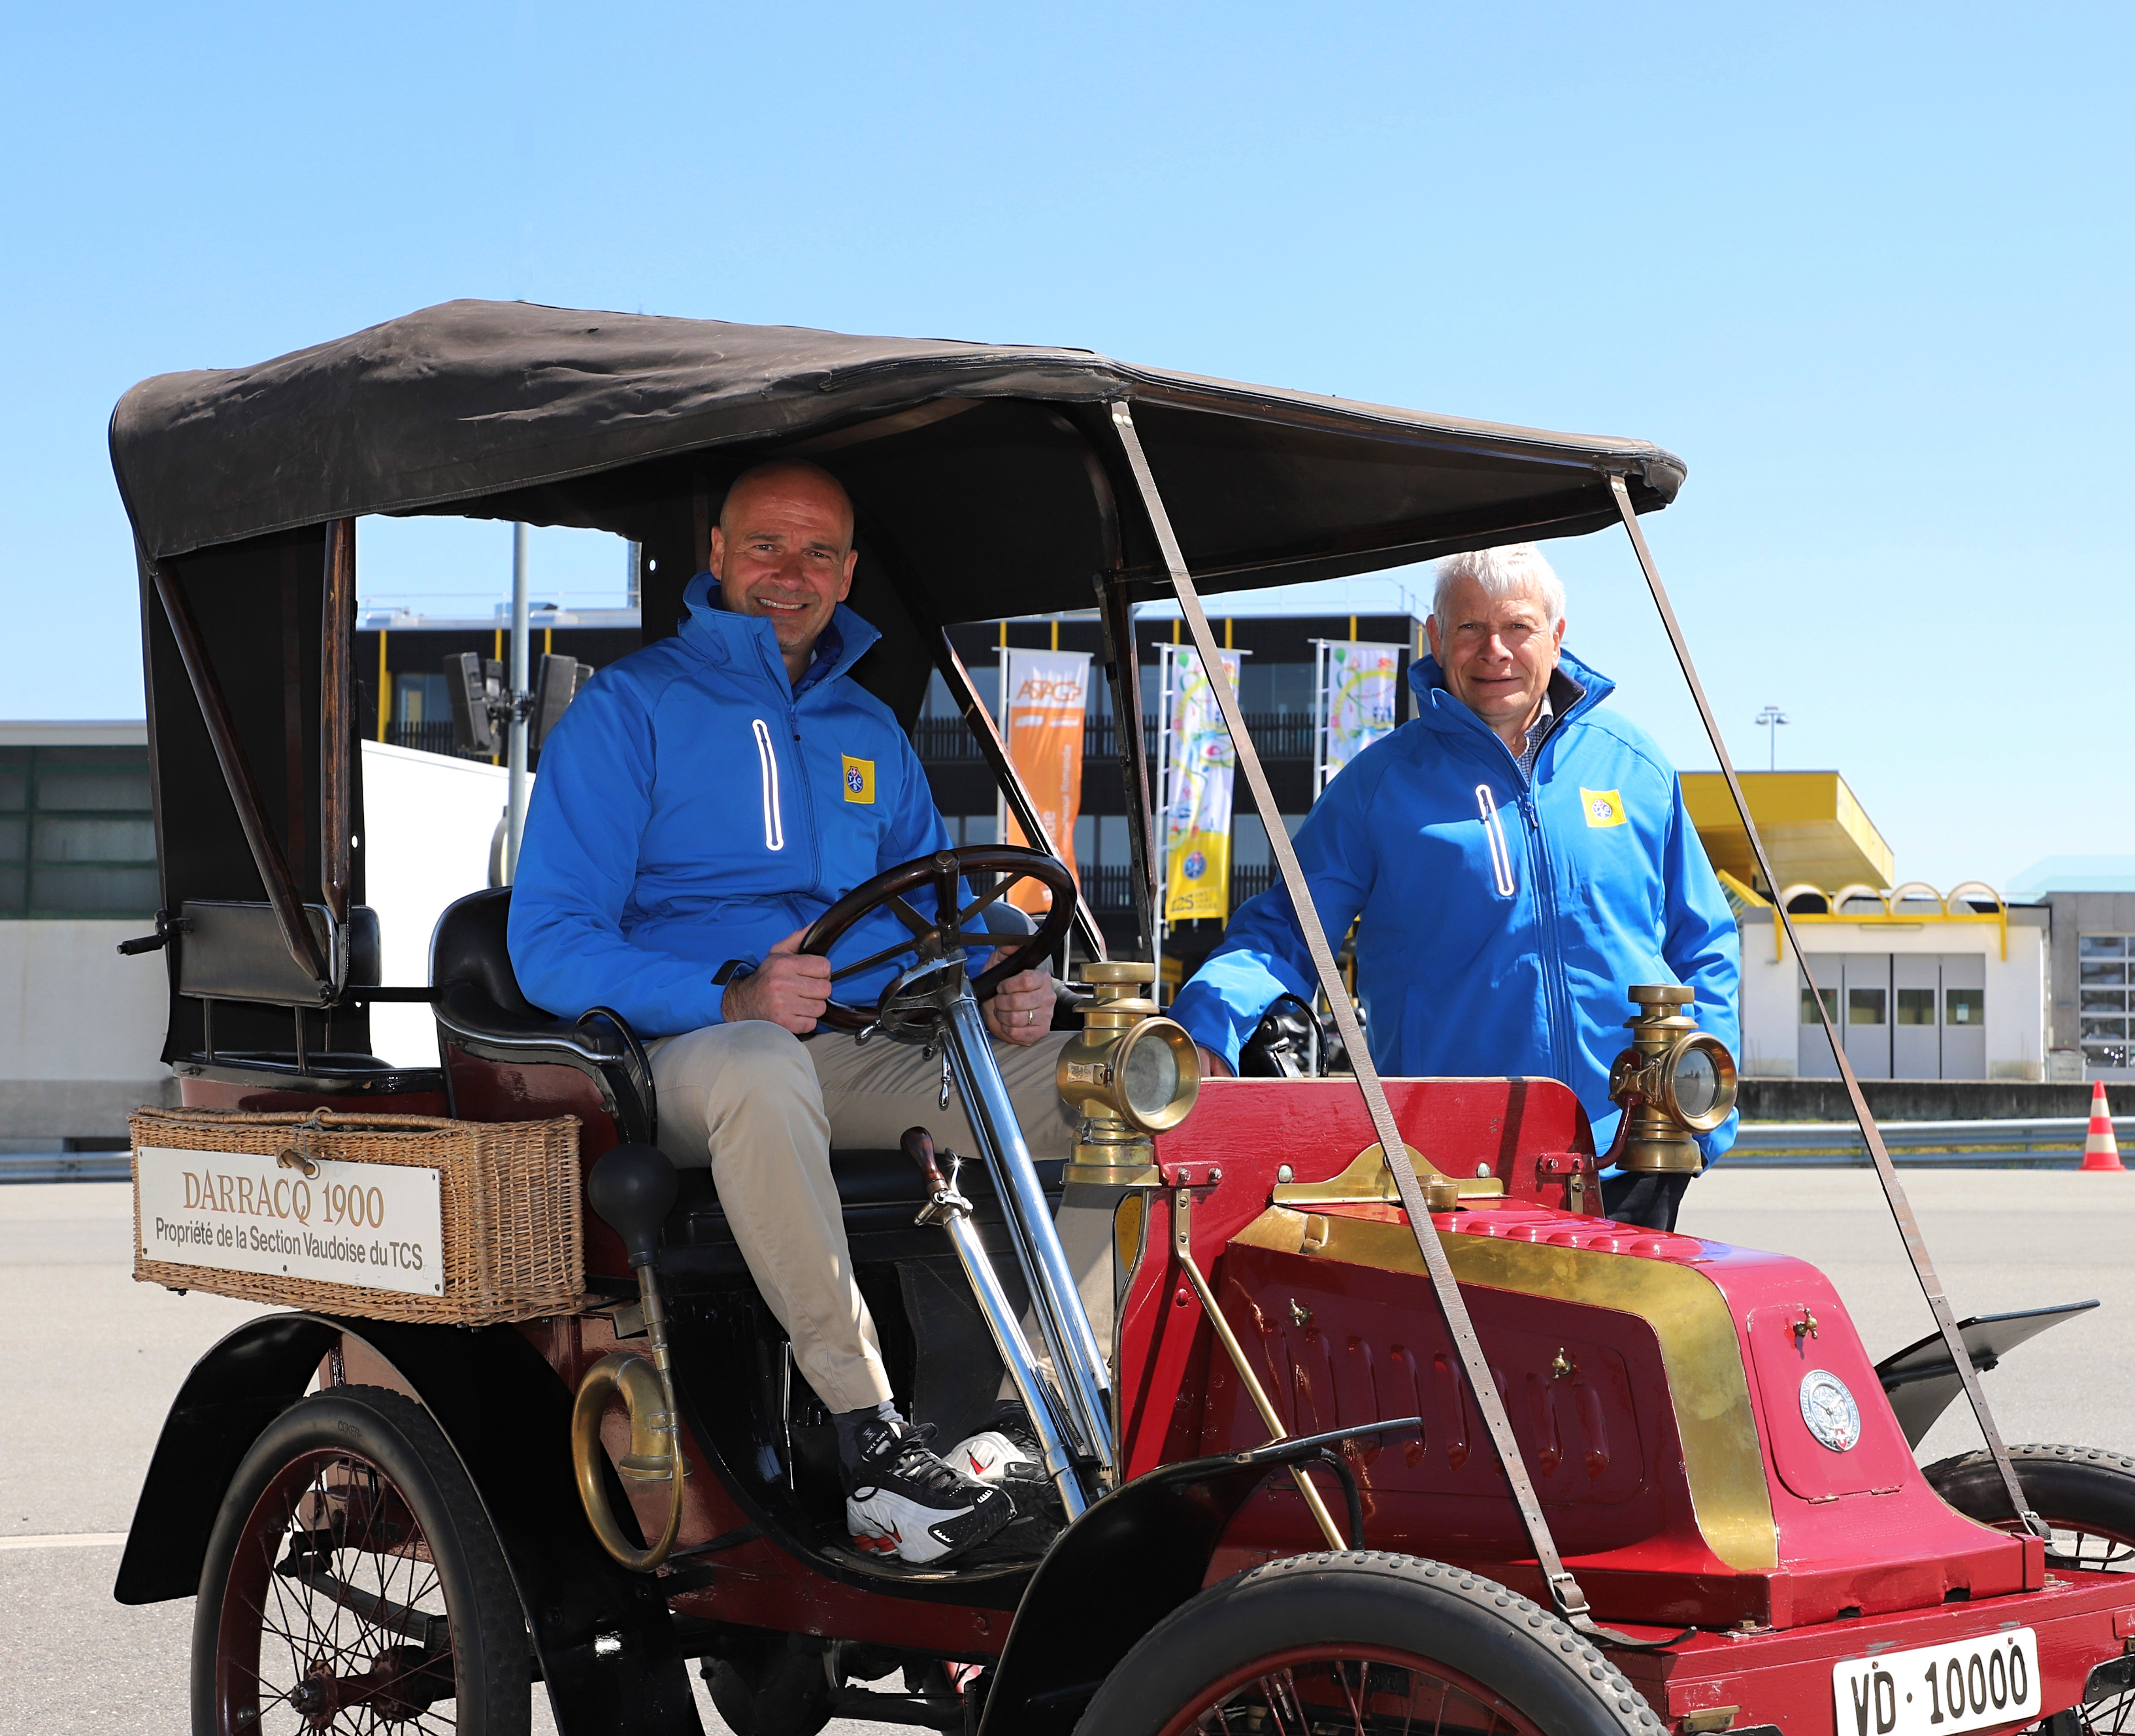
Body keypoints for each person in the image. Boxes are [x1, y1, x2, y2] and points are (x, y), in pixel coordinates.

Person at [510, 459, 1067, 1566]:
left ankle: (1033, 1417)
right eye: (765, 544)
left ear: (849, 574)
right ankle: (872, 1449)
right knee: (764, 1058)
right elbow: (549, 942)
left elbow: (936, 908)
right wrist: (729, 994)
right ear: (717, 553)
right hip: (674, 1060)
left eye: (818, 552)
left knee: (1108, 1087)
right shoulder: (633, 709)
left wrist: (1007, 968)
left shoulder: (869, 728)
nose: (790, 572)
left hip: (852, 1049)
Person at [1167, 543, 1741, 1229]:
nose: (1495, 650)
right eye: (1471, 627)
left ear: (1556, 636)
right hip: (1450, 1166)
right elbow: (1284, 932)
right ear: (1436, 639)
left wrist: (1703, 1103)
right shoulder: (1379, 785)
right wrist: (1203, 1027)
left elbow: (1705, 942)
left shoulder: (1634, 766)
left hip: (1631, 1153)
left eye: (1518, 626)